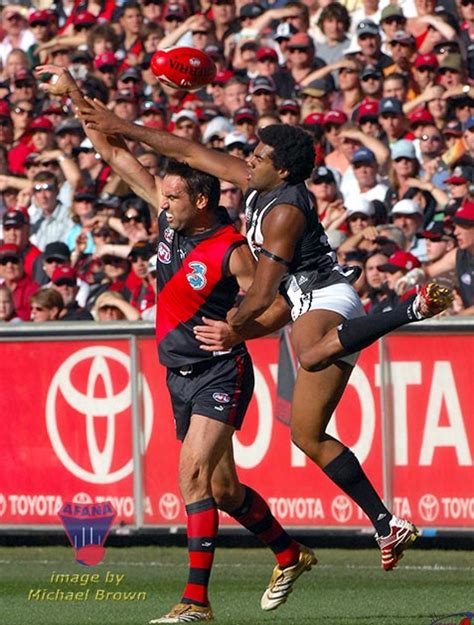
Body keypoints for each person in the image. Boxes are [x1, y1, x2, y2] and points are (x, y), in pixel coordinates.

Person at [72, 78, 454, 586]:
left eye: (259, 155)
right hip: (300, 302)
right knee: (307, 436)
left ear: (284, 168)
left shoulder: (286, 210)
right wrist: (122, 126)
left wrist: (233, 327)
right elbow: (187, 148)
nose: (247, 160)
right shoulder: (259, 184)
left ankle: (409, 308)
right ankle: (387, 523)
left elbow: (261, 294)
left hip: (323, 296)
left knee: (312, 353)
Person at [38, 65, 318, 624]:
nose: (162, 203)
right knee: (223, 488)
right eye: (162, 195)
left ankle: (196, 602)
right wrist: (75, 94)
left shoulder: (233, 250)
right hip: (178, 373)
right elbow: (116, 155)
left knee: (190, 476)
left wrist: (241, 331)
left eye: (172, 196)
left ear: (204, 198)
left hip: (220, 372)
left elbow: (283, 302)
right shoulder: (171, 220)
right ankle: (291, 554)